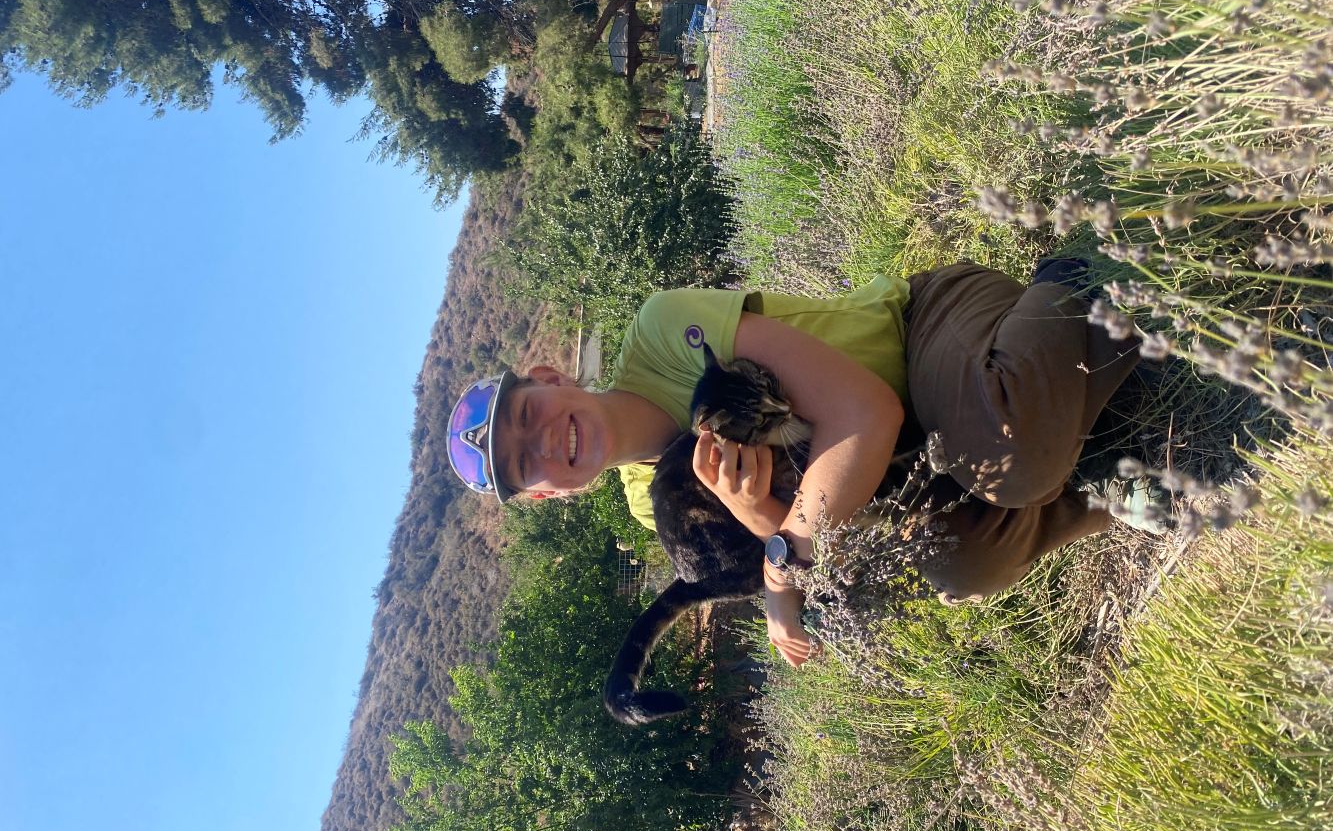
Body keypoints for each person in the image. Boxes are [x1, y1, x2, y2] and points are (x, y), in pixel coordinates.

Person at [446, 260, 1143, 667]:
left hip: (922, 337)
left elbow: (866, 413)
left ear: (547, 377)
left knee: (1009, 458)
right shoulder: (648, 502)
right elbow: (825, 541)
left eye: (525, 414)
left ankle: (1070, 279)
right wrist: (770, 531)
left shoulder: (664, 330)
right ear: (546, 497)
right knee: (961, 569)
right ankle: (1111, 484)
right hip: (911, 465)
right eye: (522, 464)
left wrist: (778, 560)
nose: (541, 443)